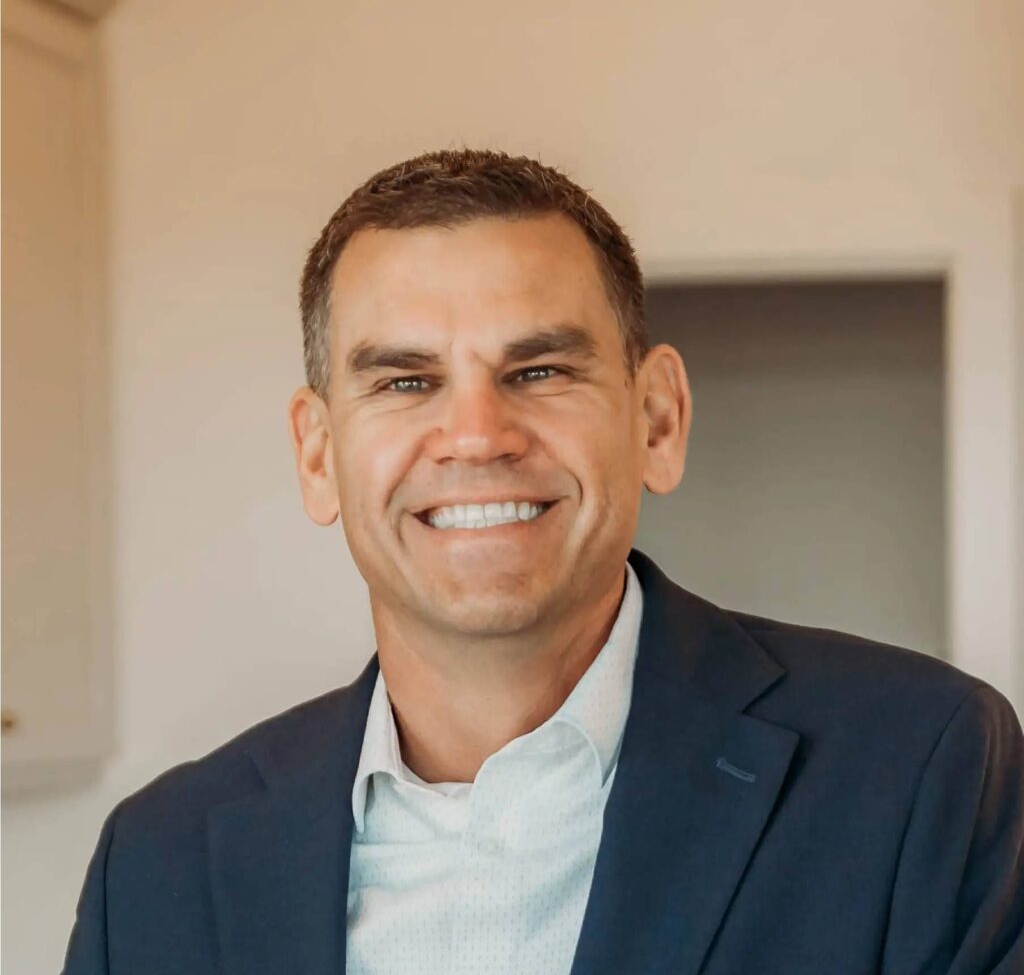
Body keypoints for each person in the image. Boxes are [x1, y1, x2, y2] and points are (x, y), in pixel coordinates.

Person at [63, 149, 1023, 974]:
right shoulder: (157, 867)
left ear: (658, 420)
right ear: (319, 457)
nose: (477, 435)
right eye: (405, 381)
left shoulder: (921, 769)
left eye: (540, 371)